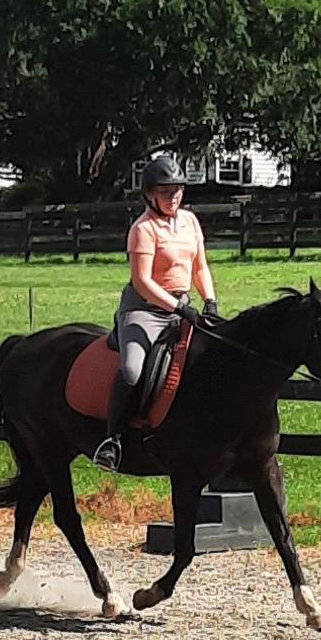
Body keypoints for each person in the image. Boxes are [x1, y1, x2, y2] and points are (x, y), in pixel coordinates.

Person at [92, 156, 221, 471]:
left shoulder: (190, 221)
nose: (174, 196)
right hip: (145, 310)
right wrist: (180, 307)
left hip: (184, 306)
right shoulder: (143, 229)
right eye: (166, 191)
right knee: (132, 369)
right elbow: (143, 281)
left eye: (178, 189)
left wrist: (210, 301)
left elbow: (199, 265)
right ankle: (114, 440)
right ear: (149, 194)